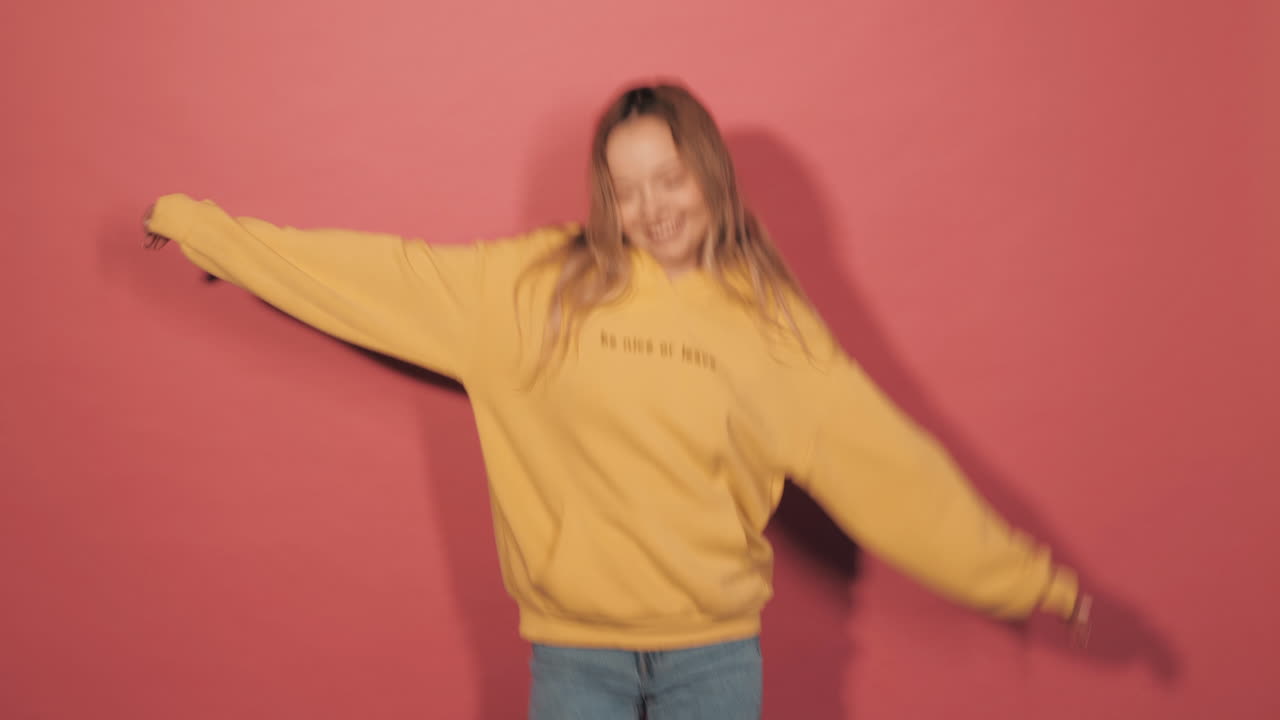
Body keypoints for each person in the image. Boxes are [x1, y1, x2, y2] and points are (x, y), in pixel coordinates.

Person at [142, 83, 1092, 719]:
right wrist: (204, 232)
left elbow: (888, 467)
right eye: (629, 189)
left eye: (671, 178)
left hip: (714, 659)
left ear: (709, 174)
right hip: (574, 661)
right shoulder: (531, 289)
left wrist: (1027, 580)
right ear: (607, 197)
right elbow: (377, 277)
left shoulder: (772, 325)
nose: (656, 208)